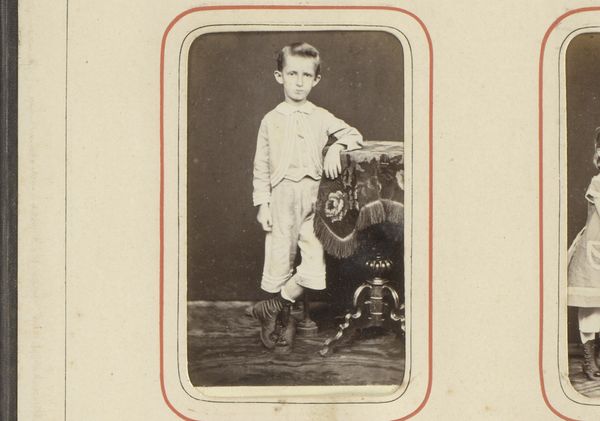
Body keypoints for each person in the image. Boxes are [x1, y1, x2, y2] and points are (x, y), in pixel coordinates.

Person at [251, 42, 363, 352]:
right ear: (279, 76)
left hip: (315, 198)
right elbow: (261, 165)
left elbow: (353, 134)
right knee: (279, 259)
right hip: (281, 198)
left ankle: (273, 306)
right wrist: (263, 204)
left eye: (306, 75)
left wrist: (337, 147)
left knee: (313, 264)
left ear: (316, 80)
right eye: (292, 74)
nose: (299, 82)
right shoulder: (270, 120)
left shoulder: (321, 116)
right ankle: (281, 319)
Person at [568, 127, 600, 380]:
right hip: (594, 246)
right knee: (591, 306)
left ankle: (596, 358)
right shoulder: (598, 181)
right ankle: (589, 361)